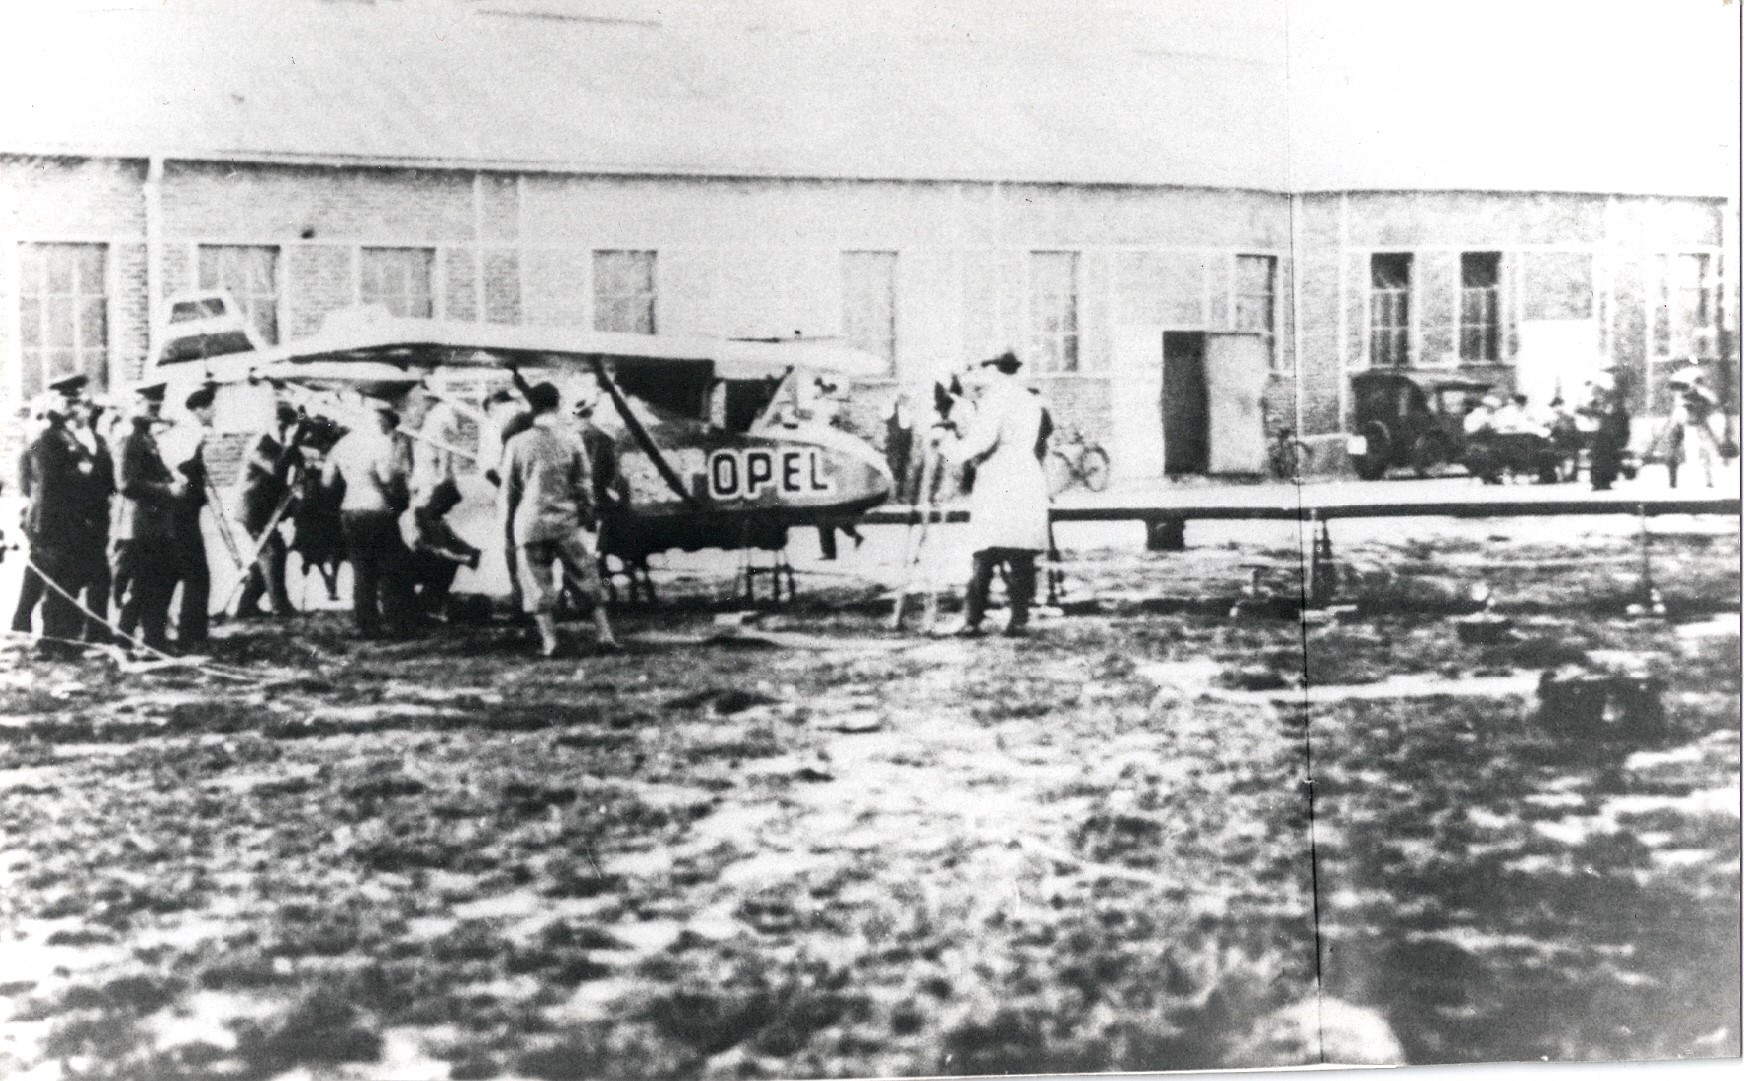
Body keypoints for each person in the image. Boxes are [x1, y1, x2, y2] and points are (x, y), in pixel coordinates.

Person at [501, 381, 619, 658]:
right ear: (557, 403)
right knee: (586, 576)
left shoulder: (516, 443)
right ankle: (605, 635)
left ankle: (550, 642)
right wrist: (587, 512)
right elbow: (584, 483)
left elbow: (508, 491)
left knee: (536, 584)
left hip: (529, 522)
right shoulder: (571, 438)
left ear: (532, 406)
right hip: (566, 519)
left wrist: (507, 526)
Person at [939, 350, 1051, 638]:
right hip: (1025, 473)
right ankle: (1019, 617)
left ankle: (973, 619)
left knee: (985, 550)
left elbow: (981, 440)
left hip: (1001, 476)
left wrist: (948, 445)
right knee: (1019, 550)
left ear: (995, 371)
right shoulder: (1029, 400)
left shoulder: (996, 399)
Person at [20, 376, 114, 656]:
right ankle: (53, 643)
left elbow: (104, 477)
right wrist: (83, 479)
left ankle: (91, 634)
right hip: (60, 526)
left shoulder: (91, 439)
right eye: (70, 404)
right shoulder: (46, 441)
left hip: (89, 525)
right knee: (63, 585)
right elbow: (48, 486)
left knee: (97, 578)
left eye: (81, 403)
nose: (77, 410)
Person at [321, 400, 417, 639]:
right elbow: (387, 479)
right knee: (391, 568)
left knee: (362, 570)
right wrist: (397, 498)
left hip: (350, 511)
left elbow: (327, 482)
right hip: (377, 509)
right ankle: (397, 623)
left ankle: (367, 626)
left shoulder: (342, 445)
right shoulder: (379, 444)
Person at [112, 382, 180, 654]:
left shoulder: (145, 437)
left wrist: (173, 479)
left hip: (153, 524)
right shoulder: (131, 438)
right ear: (136, 405)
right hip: (139, 526)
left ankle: (146, 639)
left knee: (152, 583)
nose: (156, 410)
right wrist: (167, 489)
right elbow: (126, 483)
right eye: (151, 405)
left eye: (158, 405)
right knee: (143, 585)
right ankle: (134, 639)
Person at [160, 384, 217, 649]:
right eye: (211, 407)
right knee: (195, 574)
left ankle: (189, 631)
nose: (215, 412)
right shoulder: (188, 434)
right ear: (200, 409)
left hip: (184, 513)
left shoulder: (192, 433)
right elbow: (182, 473)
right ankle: (190, 635)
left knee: (186, 573)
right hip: (181, 513)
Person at [235, 402, 304, 618]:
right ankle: (280, 606)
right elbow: (276, 469)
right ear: (271, 422)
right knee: (272, 552)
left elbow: (295, 464)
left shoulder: (280, 444)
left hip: (265, 508)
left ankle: (246, 606)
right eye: (280, 425)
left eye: (287, 426)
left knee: (269, 552)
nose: (283, 430)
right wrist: (292, 444)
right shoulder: (260, 443)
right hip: (253, 509)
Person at [409, 476, 482, 616]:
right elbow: (418, 543)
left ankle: (430, 602)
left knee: (447, 562)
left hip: (430, 561)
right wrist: (455, 557)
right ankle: (429, 604)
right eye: (447, 505)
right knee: (445, 562)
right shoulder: (419, 515)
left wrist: (471, 550)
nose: (448, 510)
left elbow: (455, 540)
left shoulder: (439, 521)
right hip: (413, 562)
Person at [1674, 370, 1724, 488]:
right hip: (1694, 426)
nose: (1695, 385)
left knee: (1703, 452)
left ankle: (1708, 478)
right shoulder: (1688, 395)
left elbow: (1712, 405)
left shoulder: (1704, 396)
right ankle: (1700, 478)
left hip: (1700, 426)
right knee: (1694, 452)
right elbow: (1681, 406)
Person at [1583, 373, 1631, 492]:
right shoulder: (1614, 400)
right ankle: (1601, 482)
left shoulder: (1615, 400)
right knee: (1604, 458)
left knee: (1604, 458)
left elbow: (1615, 416)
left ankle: (1601, 482)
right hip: (1607, 433)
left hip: (1609, 434)